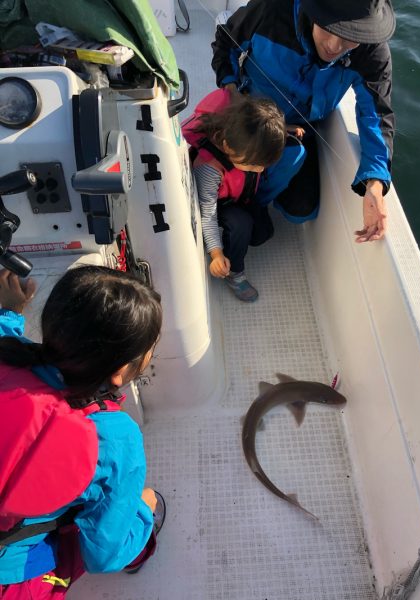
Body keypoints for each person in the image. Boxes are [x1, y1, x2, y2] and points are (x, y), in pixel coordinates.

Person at [0, 266, 163, 597]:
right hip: (12, 579)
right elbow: (102, 557)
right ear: (120, 371)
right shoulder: (116, 438)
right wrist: (143, 510)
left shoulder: (7, 353)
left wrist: (9, 310)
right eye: (150, 347)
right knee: (131, 514)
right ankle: (142, 544)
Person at [212, 0, 396, 243]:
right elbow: (226, 41)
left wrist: (375, 183)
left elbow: (376, 114)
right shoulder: (272, 9)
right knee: (216, 174)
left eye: (351, 37)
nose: (334, 46)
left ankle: (255, 198)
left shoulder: (372, 52)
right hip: (250, 117)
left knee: (300, 209)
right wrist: (232, 92)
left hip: (300, 128)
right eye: (329, 28)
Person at [182, 89, 286, 301]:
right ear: (227, 146)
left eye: (263, 165)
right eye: (254, 165)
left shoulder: (246, 139)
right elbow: (207, 214)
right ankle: (235, 273)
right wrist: (216, 254)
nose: (259, 170)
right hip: (218, 204)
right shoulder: (209, 170)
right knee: (241, 224)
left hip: (242, 195)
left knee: (262, 234)